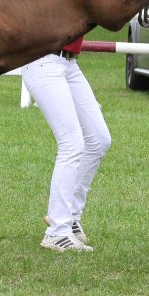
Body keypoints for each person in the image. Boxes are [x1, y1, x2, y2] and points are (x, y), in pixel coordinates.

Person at [20, 35, 111, 253]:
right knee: (72, 144)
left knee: (99, 140)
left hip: (70, 63)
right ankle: (57, 232)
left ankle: (69, 218)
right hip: (44, 62)